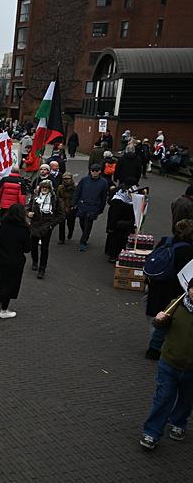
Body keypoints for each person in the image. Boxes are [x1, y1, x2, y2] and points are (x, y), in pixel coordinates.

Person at [139, 278, 193, 451]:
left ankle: (178, 422)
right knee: (163, 398)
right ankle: (152, 432)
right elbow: (159, 326)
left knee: (187, 399)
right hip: (169, 362)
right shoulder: (176, 304)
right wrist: (159, 319)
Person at [144, 219, 193, 360]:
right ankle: (158, 350)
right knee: (167, 320)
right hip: (173, 291)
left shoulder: (166, 241)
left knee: (157, 318)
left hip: (156, 288)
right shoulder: (188, 251)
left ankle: (153, 349)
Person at [0, 204, 31, 319]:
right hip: (15, 260)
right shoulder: (24, 229)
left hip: (0, 257)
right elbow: (27, 248)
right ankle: (4, 310)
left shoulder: (3, 224)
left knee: (1, 281)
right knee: (10, 284)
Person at [27, 179, 65, 279]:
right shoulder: (35, 198)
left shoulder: (55, 199)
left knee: (44, 248)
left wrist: (51, 225)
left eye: (46, 187)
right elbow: (27, 208)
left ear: (50, 189)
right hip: (35, 225)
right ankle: (35, 261)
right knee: (33, 245)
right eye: (43, 187)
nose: (44, 189)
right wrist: (28, 213)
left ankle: (42, 269)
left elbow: (61, 215)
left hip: (46, 226)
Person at [72, 163, 109, 252]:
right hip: (83, 205)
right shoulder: (84, 180)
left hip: (94, 206)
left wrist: (101, 208)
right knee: (82, 222)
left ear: (100, 171)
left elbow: (104, 197)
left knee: (88, 224)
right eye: (92, 170)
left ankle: (83, 242)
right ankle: (85, 235)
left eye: (96, 171)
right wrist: (74, 203)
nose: (94, 172)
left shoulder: (103, 182)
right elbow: (78, 191)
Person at [104, 183, 138, 263]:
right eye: (130, 193)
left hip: (126, 226)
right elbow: (112, 216)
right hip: (117, 226)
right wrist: (110, 227)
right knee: (115, 241)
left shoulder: (131, 201)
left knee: (123, 242)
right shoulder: (117, 200)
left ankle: (121, 256)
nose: (132, 195)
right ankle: (113, 256)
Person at [56, 173, 77, 245]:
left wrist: (73, 206)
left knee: (70, 223)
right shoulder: (60, 187)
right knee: (61, 224)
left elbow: (76, 198)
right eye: (64, 179)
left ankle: (70, 232)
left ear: (71, 179)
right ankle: (61, 239)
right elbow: (58, 197)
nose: (66, 180)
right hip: (62, 208)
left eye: (68, 179)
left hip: (71, 208)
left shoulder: (75, 187)